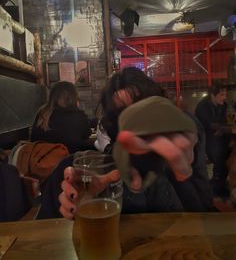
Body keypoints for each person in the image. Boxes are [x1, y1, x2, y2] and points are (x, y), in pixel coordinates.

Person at [37, 67, 213, 219]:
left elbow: (186, 135)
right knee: (69, 167)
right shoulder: (119, 158)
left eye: (141, 106)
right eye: (122, 113)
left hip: (191, 223)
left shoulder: (180, 126)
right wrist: (84, 203)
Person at [31, 81, 91, 154]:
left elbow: (33, 139)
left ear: (52, 96)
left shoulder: (42, 112)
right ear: (73, 97)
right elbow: (87, 134)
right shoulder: (79, 115)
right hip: (69, 162)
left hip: (42, 162)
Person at [195, 82, 231, 198]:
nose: (224, 97)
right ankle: (216, 189)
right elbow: (210, 125)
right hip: (206, 140)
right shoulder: (203, 106)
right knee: (220, 159)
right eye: (221, 95)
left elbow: (224, 123)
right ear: (212, 95)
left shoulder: (224, 105)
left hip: (220, 138)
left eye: (225, 94)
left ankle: (218, 185)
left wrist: (223, 128)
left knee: (228, 156)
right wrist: (223, 128)